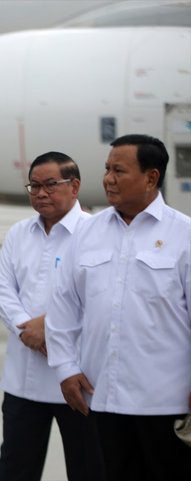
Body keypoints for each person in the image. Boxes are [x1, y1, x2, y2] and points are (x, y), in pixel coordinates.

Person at [46, 134, 191, 481]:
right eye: (107, 169)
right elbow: (63, 305)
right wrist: (65, 368)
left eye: (119, 171)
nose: (108, 179)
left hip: (166, 403)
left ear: (151, 178)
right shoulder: (88, 232)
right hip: (102, 400)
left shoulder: (183, 235)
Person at [0, 152, 104, 481]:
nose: (41, 193)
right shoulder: (19, 233)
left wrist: (50, 328)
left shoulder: (95, 233)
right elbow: (1, 285)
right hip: (23, 378)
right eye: (34, 186)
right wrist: (26, 330)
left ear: (75, 186)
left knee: (88, 468)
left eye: (51, 185)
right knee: (15, 468)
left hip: (79, 378)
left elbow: (100, 294)